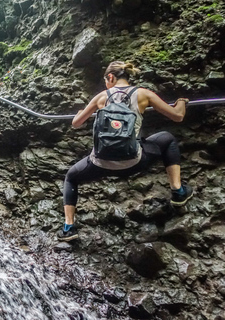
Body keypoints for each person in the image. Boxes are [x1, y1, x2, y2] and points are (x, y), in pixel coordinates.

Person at [57, 61, 194, 241]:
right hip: (134, 161)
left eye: (106, 80)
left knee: (71, 177)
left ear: (111, 77)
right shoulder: (143, 94)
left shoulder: (101, 97)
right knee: (167, 138)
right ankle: (178, 191)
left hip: (100, 163)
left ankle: (69, 228)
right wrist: (182, 102)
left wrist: (82, 111)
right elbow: (178, 116)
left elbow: (76, 124)